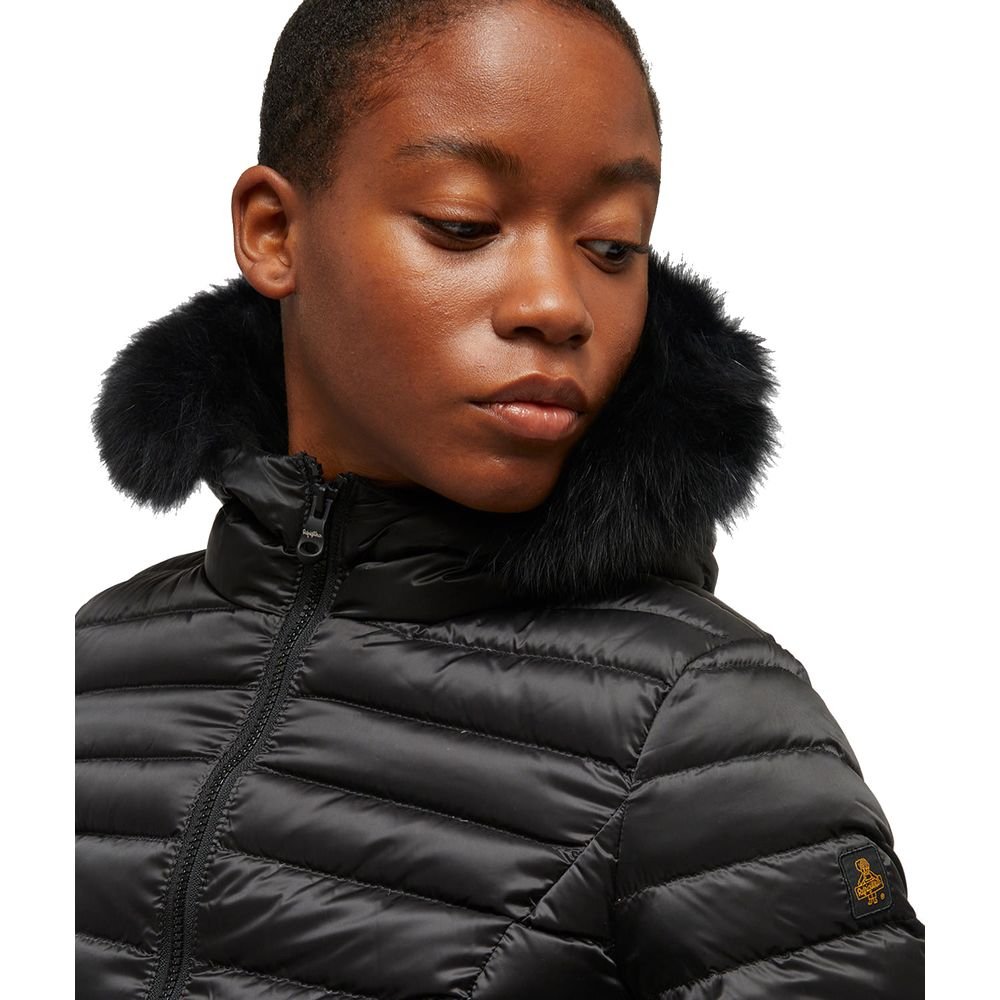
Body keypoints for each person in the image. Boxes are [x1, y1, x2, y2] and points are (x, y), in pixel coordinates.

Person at [75, 1, 925, 997]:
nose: (556, 305)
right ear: (274, 232)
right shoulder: (91, 662)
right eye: (463, 225)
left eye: (612, 245)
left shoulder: (709, 727)